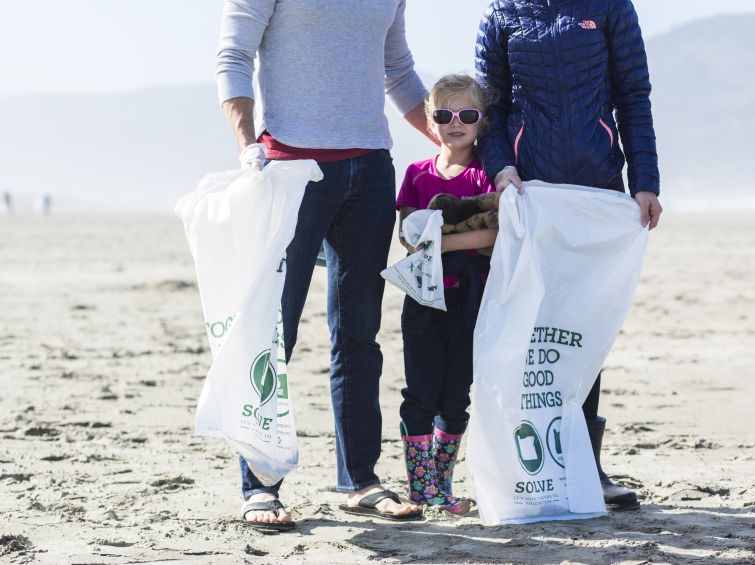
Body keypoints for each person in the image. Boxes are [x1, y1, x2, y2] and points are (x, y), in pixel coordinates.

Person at [216, 0, 433, 531]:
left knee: (358, 333)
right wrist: (248, 146)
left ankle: (359, 479)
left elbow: (398, 70)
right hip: (291, 166)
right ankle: (259, 486)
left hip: (371, 168)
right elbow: (233, 55)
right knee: (275, 331)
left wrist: (461, 146)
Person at [476, 0, 663, 510]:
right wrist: (499, 168)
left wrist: (645, 181)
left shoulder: (608, 7)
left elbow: (633, 95)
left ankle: (586, 464)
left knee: (582, 327)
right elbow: (489, 109)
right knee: (531, 327)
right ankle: (527, 461)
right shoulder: (502, 13)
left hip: (597, 187)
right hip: (530, 193)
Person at [395, 75, 498, 515]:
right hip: (421, 300)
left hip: (471, 302)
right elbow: (406, 232)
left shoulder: (488, 173)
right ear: (431, 123)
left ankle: (443, 484)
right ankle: (423, 489)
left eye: (467, 115)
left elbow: (495, 234)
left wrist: (438, 238)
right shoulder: (417, 174)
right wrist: (448, 234)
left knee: (457, 396)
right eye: (444, 115)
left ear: (482, 122)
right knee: (419, 395)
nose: (456, 123)